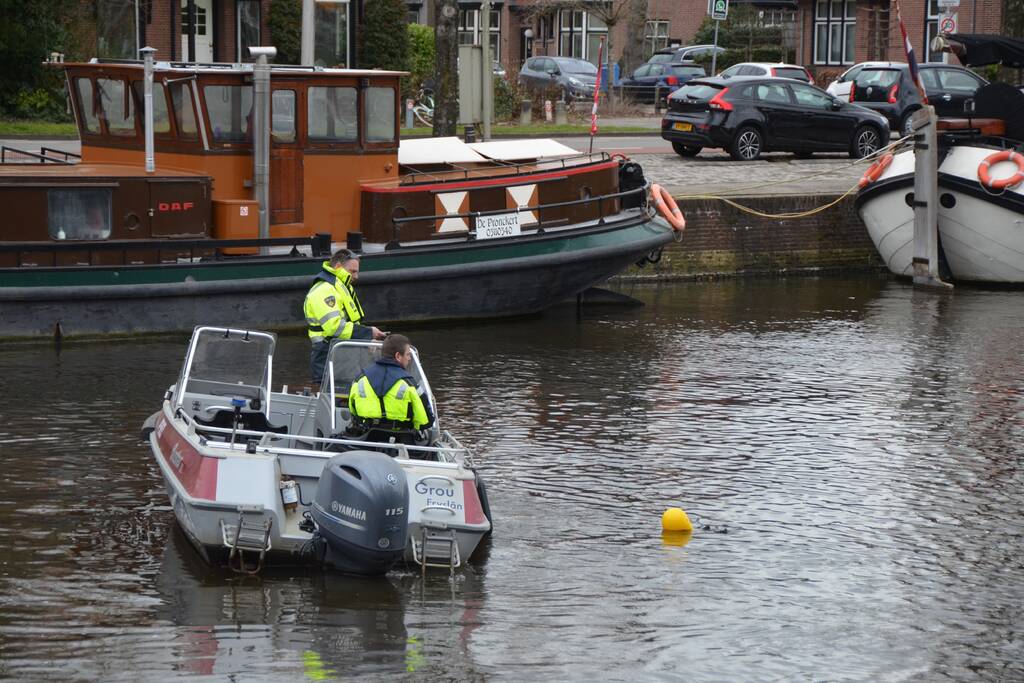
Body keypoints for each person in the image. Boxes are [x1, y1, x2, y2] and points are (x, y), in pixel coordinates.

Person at [304, 249, 386, 388]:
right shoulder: (325, 290)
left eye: (357, 272)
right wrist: (368, 333)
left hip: (343, 358)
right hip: (329, 359)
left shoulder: (340, 287)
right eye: (352, 271)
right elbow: (335, 327)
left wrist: (367, 340)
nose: (356, 276)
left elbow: (350, 324)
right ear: (338, 267)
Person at [348, 334, 434, 444]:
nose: (409, 358)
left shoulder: (360, 379)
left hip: (366, 441)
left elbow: (353, 411)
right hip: (401, 443)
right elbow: (426, 421)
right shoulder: (409, 384)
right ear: (398, 356)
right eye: (408, 354)